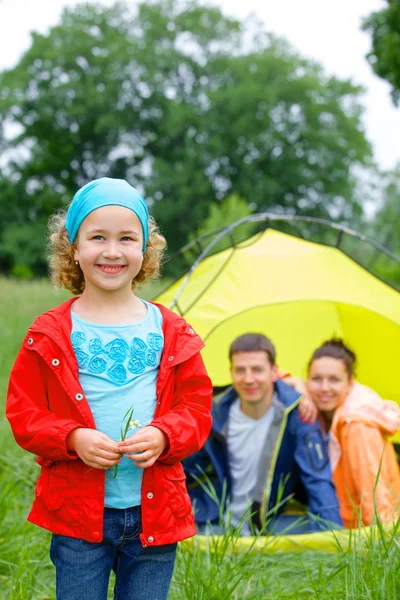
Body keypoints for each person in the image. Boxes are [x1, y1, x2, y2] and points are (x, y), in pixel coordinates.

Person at [6, 177, 213, 600]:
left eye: (127, 238)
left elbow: (196, 407)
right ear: (74, 249)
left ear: (145, 250)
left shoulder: (171, 330)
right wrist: (71, 437)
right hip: (79, 517)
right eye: (97, 237)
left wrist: (164, 434)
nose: (113, 251)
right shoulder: (50, 334)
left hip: (155, 513)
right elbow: (24, 413)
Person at [183, 333, 343, 536]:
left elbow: (317, 481)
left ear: (274, 372)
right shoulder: (214, 414)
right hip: (216, 523)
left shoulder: (298, 414)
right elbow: (183, 470)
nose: (249, 379)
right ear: (231, 373)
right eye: (240, 370)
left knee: (304, 531)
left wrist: (334, 539)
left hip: (270, 524)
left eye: (257, 370)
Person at [304, 338, 400, 528]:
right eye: (316, 379)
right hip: (346, 522)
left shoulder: (356, 425)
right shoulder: (329, 412)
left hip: (360, 533)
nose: (324, 388)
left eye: (334, 380)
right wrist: (297, 386)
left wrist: (382, 544)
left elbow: (373, 491)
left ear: (350, 383)